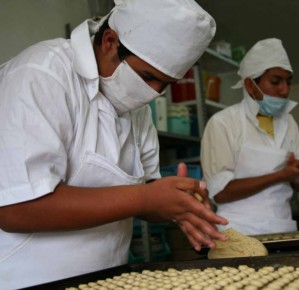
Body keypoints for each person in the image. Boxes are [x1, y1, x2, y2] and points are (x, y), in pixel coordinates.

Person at [0, 1, 228, 288]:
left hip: (107, 278)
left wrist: (178, 204)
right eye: (148, 77)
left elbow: (145, 196)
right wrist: (147, 198)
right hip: (27, 280)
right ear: (110, 41)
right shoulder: (41, 75)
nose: (153, 93)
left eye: (166, 84)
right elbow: (14, 208)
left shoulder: (136, 106)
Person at [200, 38, 299, 236]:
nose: (284, 90)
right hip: (237, 233)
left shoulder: (289, 123)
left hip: (283, 229)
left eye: (288, 82)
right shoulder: (223, 123)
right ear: (250, 85)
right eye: (276, 81)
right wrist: (280, 175)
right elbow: (221, 193)